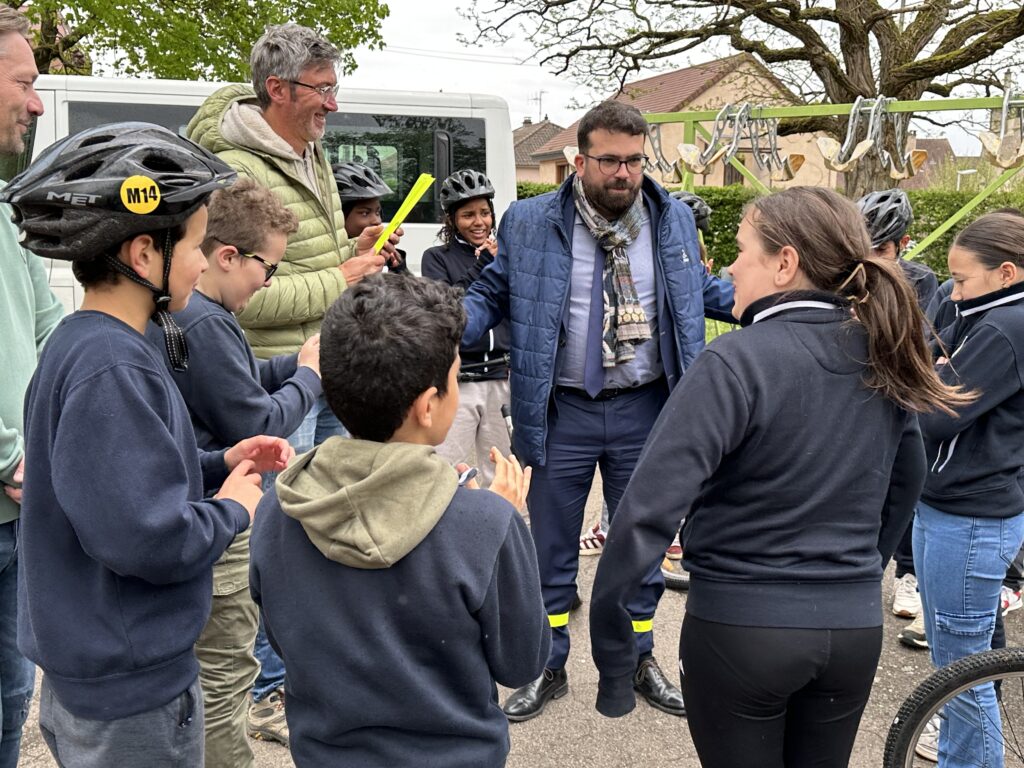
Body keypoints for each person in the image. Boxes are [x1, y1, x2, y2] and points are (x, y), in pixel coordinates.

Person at [589, 186, 969, 767]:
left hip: (741, 626)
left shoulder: (735, 361)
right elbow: (907, 477)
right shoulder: (882, 352)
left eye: (742, 250)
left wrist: (616, 657)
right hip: (851, 628)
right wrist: (862, 566)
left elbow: (644, 514)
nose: (730, 266)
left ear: (785, 263)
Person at [0, 122, 293, 767]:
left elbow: (112, 479)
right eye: (193, 244)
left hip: (98, 675)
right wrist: (235, 507)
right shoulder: (116, 367)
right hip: (131, 692)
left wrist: (220, 464)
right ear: (143, 255)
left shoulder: (84, 344)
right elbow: (148, 537)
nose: (198, 260)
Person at [462, 99, 734, 722]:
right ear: (578, 159)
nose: (624, 174)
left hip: (648, 409)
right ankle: (547, 663)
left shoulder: (671, 221)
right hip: (560, 410)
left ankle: (638, 657)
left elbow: (700, 294)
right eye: (610, 160)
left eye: (635, 160)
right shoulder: (530, 222)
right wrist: (444, 326)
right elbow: (493, 293)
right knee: (551, 548)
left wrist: (777, 301)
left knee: (641, 544)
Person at [187, 24, 402, 740]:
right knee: (276, 538)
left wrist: (355, 250)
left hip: (316, 364)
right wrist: (340, 278)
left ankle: (310, 668)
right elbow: (256, 295)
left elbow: (310, 260)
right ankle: (270, 692)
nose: (334, 105)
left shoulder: (308, 152)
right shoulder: (232, 166)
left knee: (321, 530)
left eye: (336, 88)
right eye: (323, 89)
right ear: (277, 89)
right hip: (277, 383)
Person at [249, 272, 549, 767]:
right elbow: (521, 662)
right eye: (455, 376)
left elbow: (284, 640)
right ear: (428, 406)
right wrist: (503, 517)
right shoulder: (485, 525)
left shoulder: (277, 511)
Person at [144, 178, 318, 767]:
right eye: (267, 270)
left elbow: (240, 380)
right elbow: (256, 418)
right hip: (223, 513)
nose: (267, 284)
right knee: (227, 667)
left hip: (201, 501)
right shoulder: (205, 320)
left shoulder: (204, 317)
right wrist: (311, 380)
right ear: (226, 257)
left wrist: (296, 362)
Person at [914, 212, 1024, 767]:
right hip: (955, 508)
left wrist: (931, 374)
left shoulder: (1006, 327)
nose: (951, 293)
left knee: (962, 674)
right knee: (956, 664)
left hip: (970, 515)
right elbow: (930, 373)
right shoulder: (985, 316)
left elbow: (934, 414)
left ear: (1006, 273)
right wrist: (934, 370)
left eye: (960, 281)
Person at [0, 9, 63, 766]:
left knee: (13, 695)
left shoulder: (5, 210)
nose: (38, 104)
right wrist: (13, 452)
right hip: (14, 482)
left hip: (16, 513)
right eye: (24, 82)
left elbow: (51, 330)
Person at [856, 188, 939, 638]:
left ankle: (905, 576)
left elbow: (924, 346)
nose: (873, 258)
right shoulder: (843, 273)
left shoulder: (922, 282)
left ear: (902, 244)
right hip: (853, 401)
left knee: (907, 485)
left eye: (882, 249)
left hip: (901, 401)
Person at [421, 169, 512, 490]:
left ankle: (509, 535)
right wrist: (480, 265)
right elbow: (446, 308)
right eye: (468, 215)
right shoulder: (436, 258)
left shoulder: (506, 255)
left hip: (501, 380)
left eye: (485, 213)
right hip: (459, 382)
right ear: (451, 220)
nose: (479, 222)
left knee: (503, 471)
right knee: (442, 471)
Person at [333, 161, 408, 273]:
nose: (377, 221)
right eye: (365, 213)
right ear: (339, 215)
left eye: (378, 212)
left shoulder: (385, 256)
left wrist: (397, 268)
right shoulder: (322, 263)